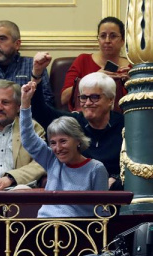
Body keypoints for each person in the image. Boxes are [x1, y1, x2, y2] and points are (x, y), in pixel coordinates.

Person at [31, 52, 124, 190]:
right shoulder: (73, 122)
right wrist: (37, 74)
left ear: (110, 100)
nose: (87, 103)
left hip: (115, 192)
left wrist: (115, 180)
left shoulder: (125, 124)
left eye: (94, 97)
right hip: (78, 189)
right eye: (83, 97)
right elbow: (41, 112)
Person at [20, 81, 108, 217]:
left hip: (78, 231)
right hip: (44, 227)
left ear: (78, 140)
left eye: (63, 141)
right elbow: (28, 139)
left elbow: (102, 211)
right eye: (53, 143)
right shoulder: (52, 160)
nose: (58, 148)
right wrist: (25, 104)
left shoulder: (96, 169)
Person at [60, 16, 131, 110]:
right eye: (103, 36)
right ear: (98, 39)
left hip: (120, 121)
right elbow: (64, 98)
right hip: (84, 119)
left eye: (113, 36)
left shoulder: (131, 67)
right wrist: (94, 77)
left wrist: (131, 85)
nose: (107, 41)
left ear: (123, 40)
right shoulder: (83, 60)